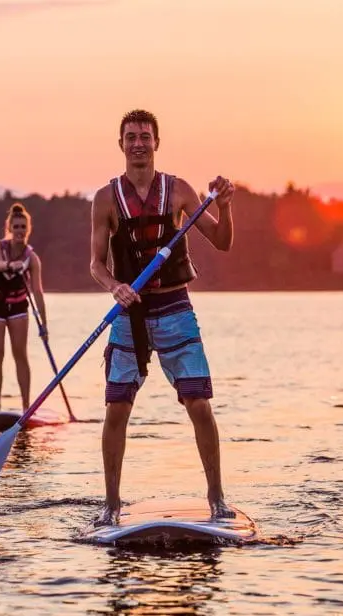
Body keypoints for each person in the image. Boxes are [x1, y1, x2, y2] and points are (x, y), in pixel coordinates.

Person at [89, 109, 236, 525]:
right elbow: (96, 265)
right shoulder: (105, 199)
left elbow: (222, 241)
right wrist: (114, 286)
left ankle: (217, 500)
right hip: (129, 312)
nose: (138, 143)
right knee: (116, 409)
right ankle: (111, 506)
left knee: (199, 404)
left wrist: (225, 208)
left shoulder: (180, 191)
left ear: (157, 143)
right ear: (121, 145)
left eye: (145, 137)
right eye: (131, 137)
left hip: (175, 309)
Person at [0, 202, 48, 413]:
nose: (19, 231)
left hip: (18, 306)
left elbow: (37, 291)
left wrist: (44, 325)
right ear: (9, 228)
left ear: (28, 229)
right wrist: (12, 266)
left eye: (22, 227)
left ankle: (27, 407)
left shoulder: (32, 258)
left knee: (20, 354)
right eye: (15, 226)